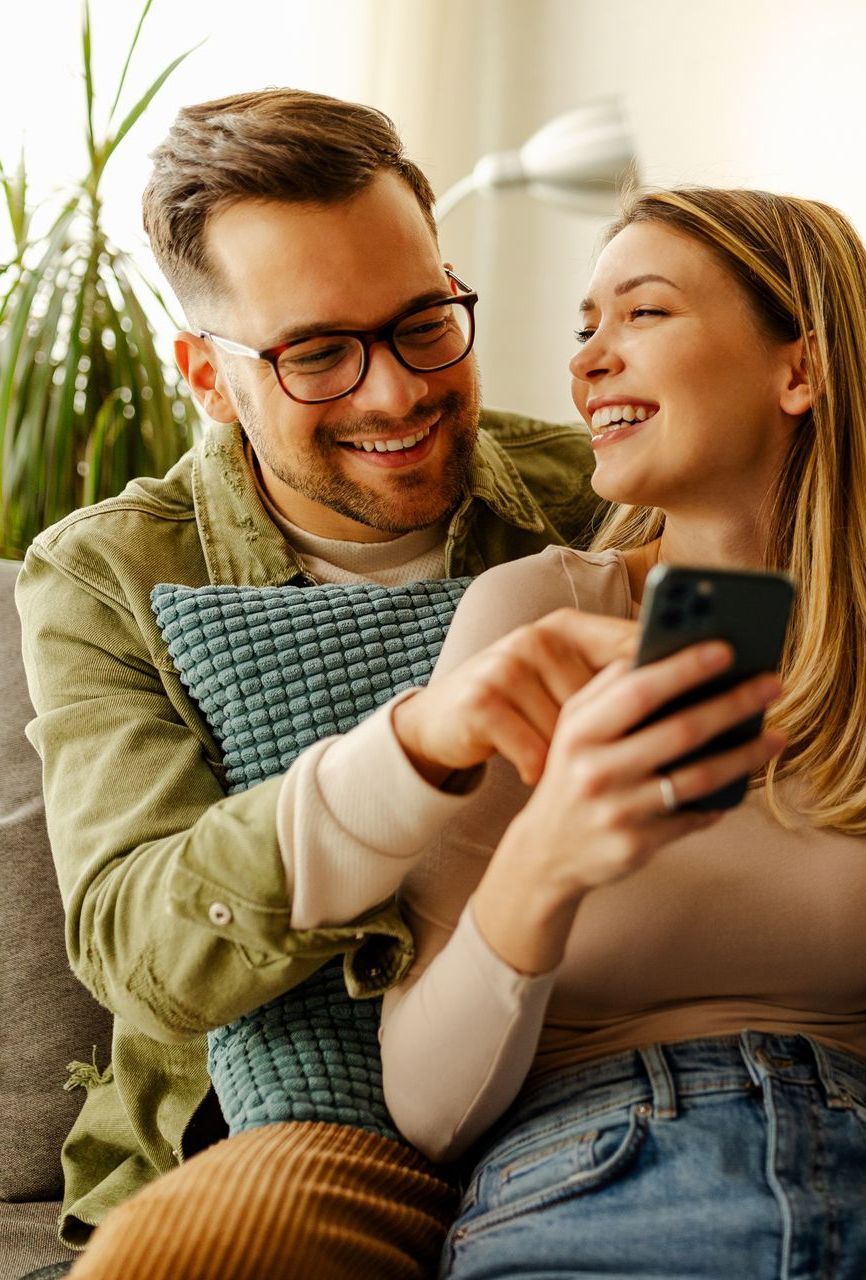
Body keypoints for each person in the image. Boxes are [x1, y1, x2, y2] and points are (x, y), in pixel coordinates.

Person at [289, 185, 866, 1277]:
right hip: (599, 1185)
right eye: (585, 327)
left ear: (801, 368)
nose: (589, 360)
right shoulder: (539, 614)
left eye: (641, 314)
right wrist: (551, 853)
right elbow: (428, 1105)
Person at [14, 86, 626, 1280]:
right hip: (292, 1139)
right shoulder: (109, 572)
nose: (394, 391)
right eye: (317, 353)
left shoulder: (598, 494)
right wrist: (406, 759)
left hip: (598, 1089)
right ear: (205, 370)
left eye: (422, 322)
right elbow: (139, 942)